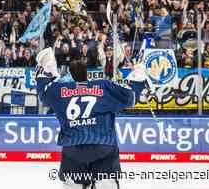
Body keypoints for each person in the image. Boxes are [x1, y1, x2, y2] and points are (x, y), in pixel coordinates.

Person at [35, 48, 139, 189]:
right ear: (87, 73)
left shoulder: (58, 90)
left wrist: (47, 69)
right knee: (106, 184)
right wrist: (138, 78)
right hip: (103, 145)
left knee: (73, 185)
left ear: (69, 75)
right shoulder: (103, 86)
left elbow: (43, 92)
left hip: (73, 149)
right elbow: (129, 97)